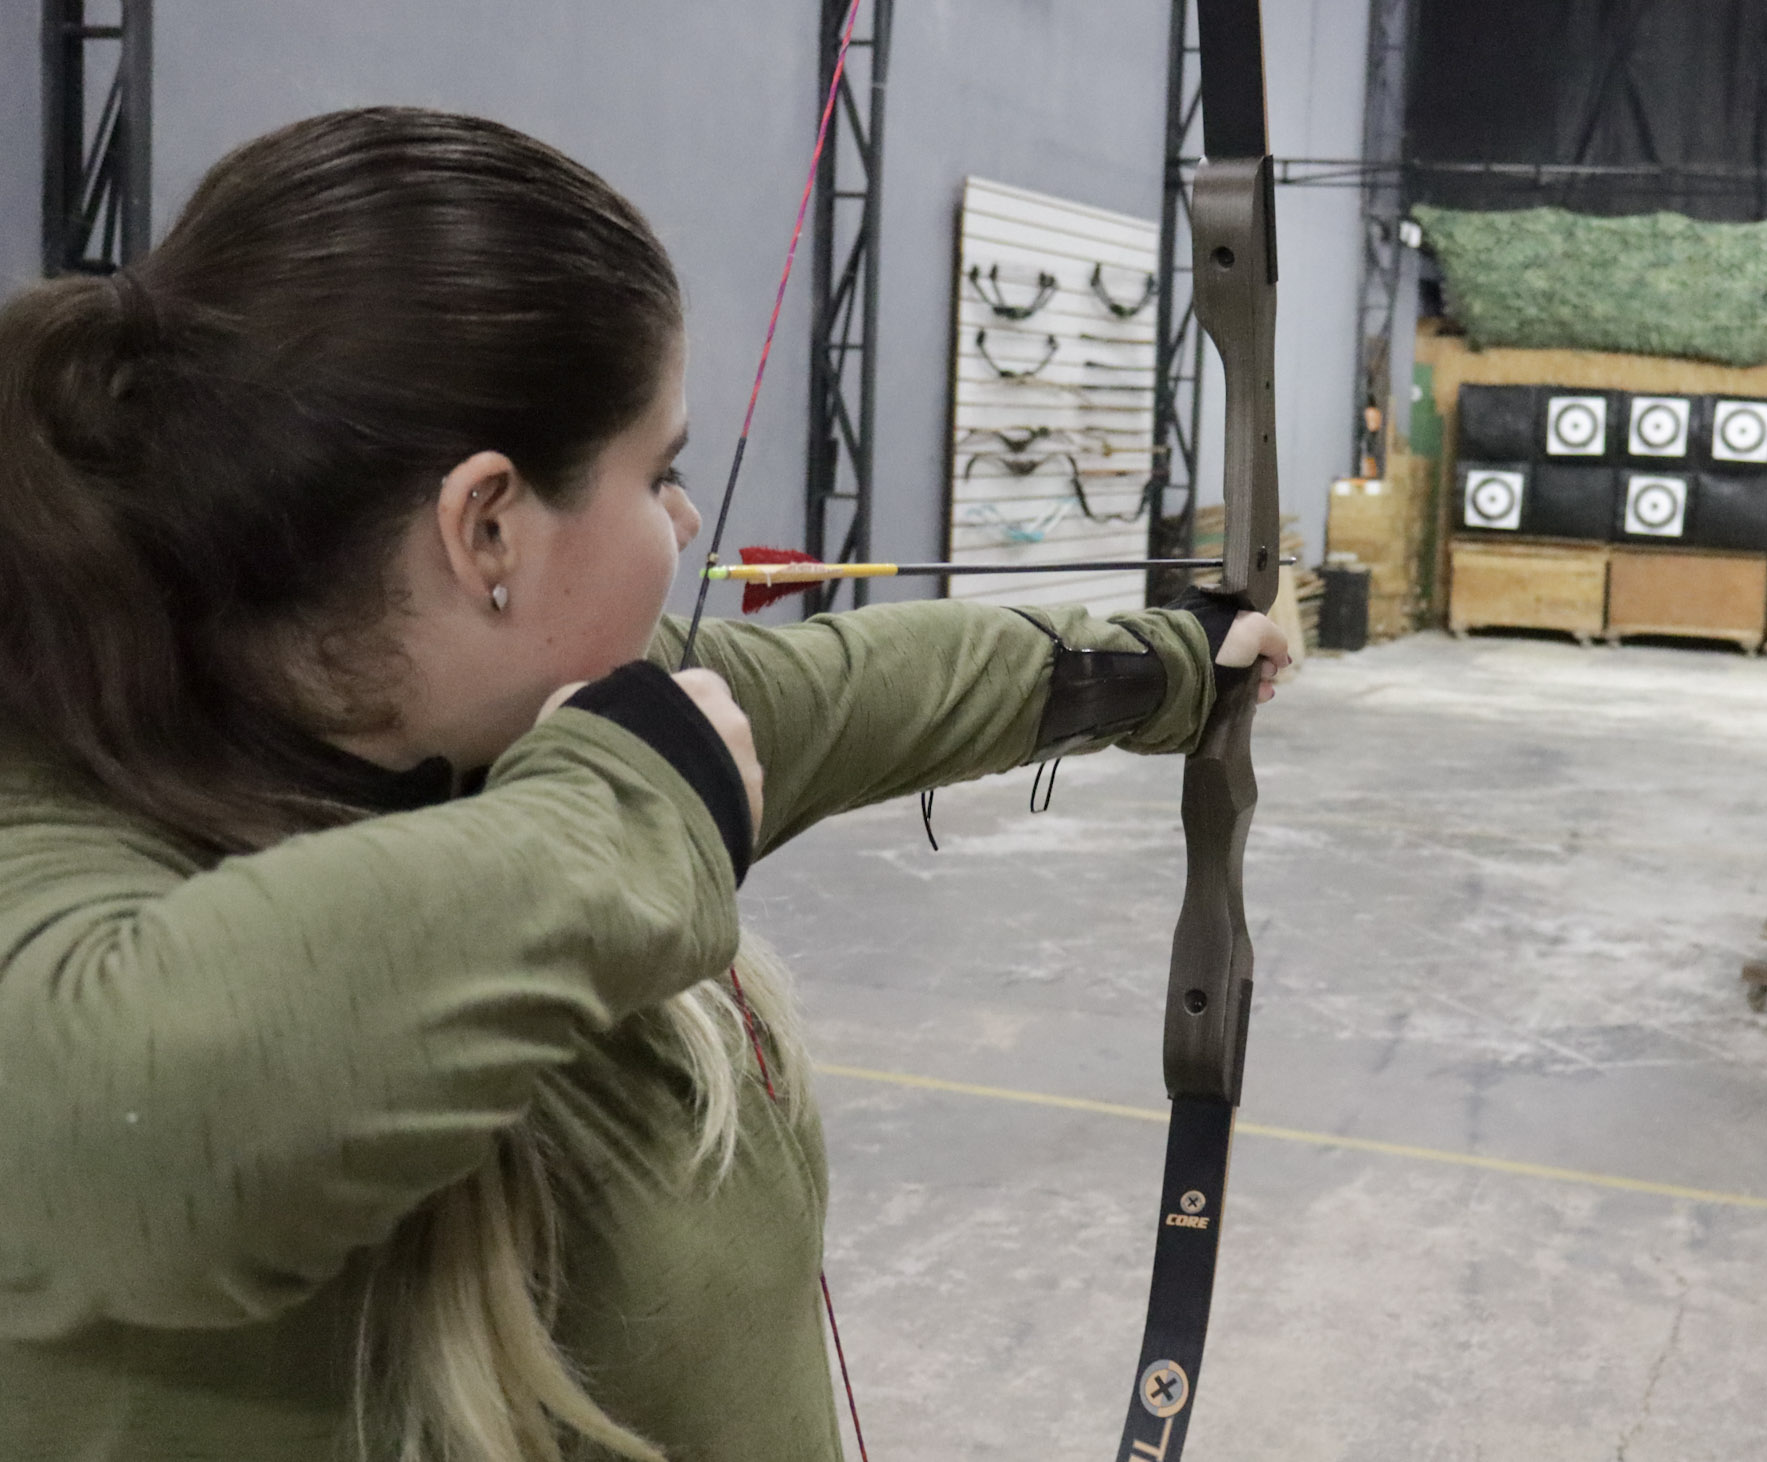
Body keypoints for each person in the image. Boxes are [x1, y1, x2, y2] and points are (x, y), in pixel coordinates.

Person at [0, 107, 1288, 1462]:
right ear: (486, 527)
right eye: (659, 471)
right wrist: (626, 810)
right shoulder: (59, 808)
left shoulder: (494, 723)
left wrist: (1172, 663)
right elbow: (123, 1116)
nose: (686, 519)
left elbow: (855, 685)